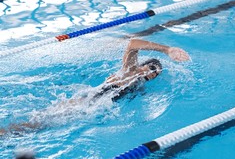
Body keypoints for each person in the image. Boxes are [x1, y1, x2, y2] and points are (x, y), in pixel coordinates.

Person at [0, 38, 190, 135]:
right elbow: (133, 43)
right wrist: (167, 49)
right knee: (29, 127)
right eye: (150, 68)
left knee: (33, 128)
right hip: (80, 105)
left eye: (153, 74)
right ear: (142, 65)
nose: (149, 74)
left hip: (86, 110)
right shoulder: (129, 71)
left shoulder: (137, 86)